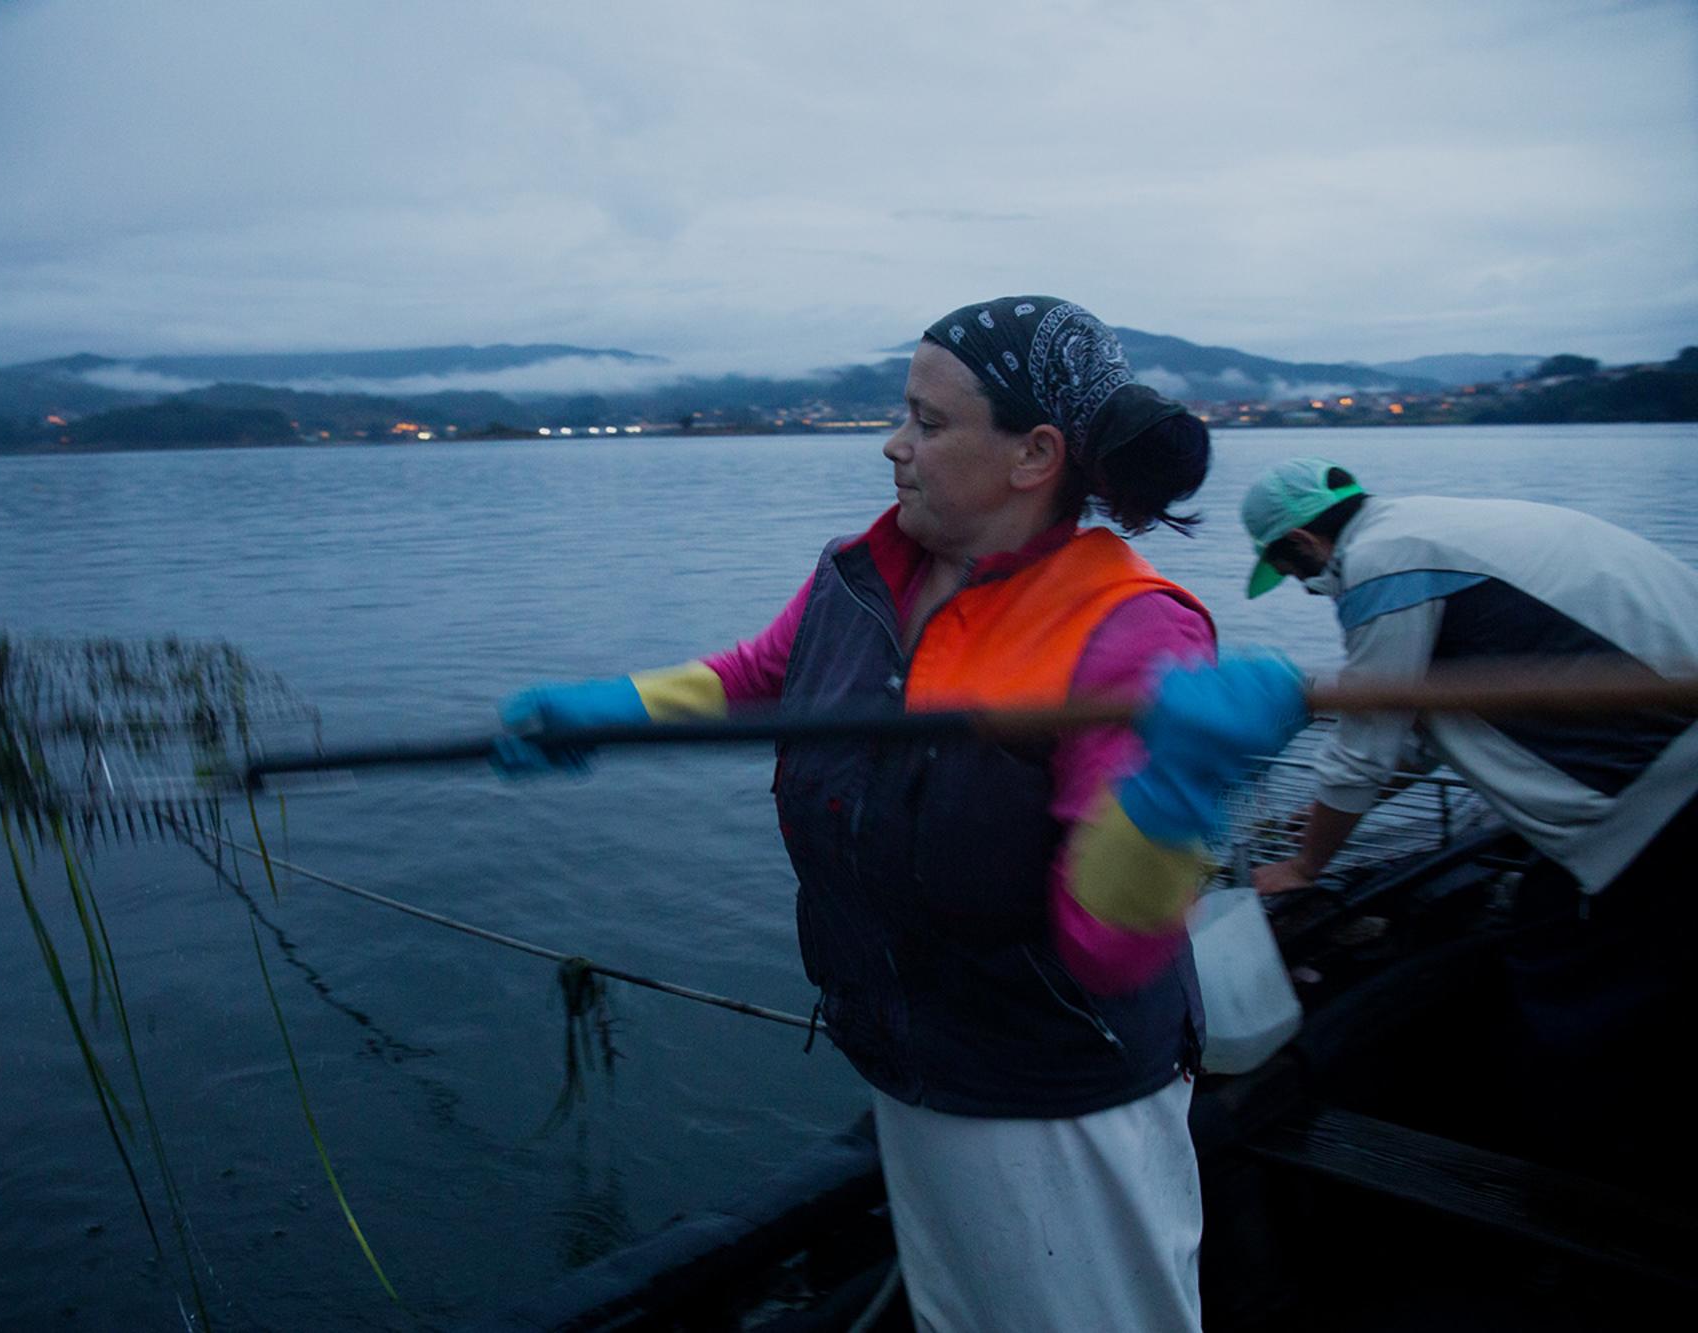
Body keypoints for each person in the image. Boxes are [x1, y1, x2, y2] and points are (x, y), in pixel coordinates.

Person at [495, 296, 1304, 1331]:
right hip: (910, 1056)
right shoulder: (863, 573)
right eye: (902, 414)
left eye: (927, 421)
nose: (893, 444)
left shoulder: (1125, 632)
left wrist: (1175, 790)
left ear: (1034, 454)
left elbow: (1107, 943)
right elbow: (758, 675)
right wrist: (612, 707)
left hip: (1057, 1094)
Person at [1239, 457, 1698, 1182]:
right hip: (1674, 760)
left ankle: (1598, 1180)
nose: (1306, 586)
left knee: (1571, 972)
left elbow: (1366, 739)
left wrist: (1305, 865)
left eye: (1296, 572)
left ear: (1302, 543)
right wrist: (1321, 817)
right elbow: (1421, 736)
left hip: (1661, 793)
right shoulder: (1441, 526)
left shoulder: (1383, 563)